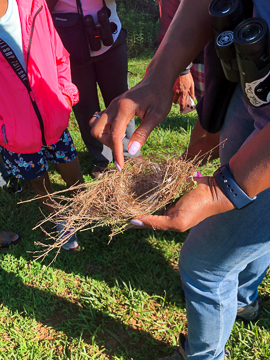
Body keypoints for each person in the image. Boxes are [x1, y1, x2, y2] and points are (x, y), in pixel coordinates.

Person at [89, 0, 270, 359]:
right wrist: (158, 74)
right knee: (247, 229)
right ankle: (243, 298)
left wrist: (224, 189)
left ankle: (202, 355)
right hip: (253, 85)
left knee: (204, 266)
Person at [0, 0, 84, 250]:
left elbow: (58, 53)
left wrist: (65, 95)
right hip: (15, 134)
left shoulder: (33, 4)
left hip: (53, 115)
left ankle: (86, 207)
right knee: (38, 179)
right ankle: (60, 218)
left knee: (71, 167)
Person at [46, 0, 139, 179]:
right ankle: (101, 158)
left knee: (121, 99)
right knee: (84, 106)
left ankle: (129, 152)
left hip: (109, 37)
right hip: (69, 45)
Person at [158, 0, 220, 163]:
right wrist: (183, 71)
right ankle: (181, 169)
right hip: (206, 58)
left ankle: (183, 170)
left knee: (208, 118)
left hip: (238, 56)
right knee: (210, 121)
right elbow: (170, 21)